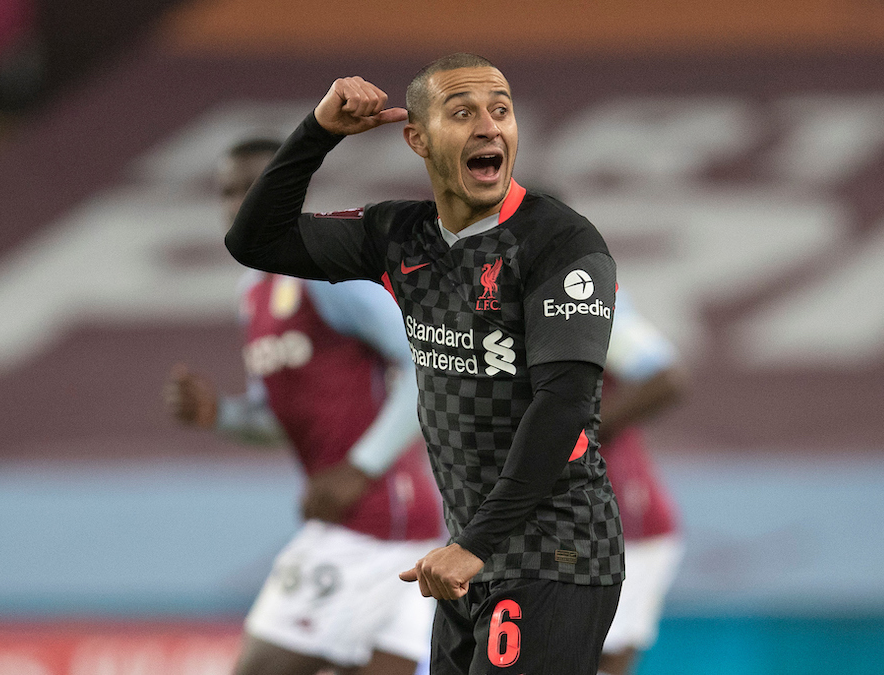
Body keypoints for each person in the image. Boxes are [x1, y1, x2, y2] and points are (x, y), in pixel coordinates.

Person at [225, 53, 623, 675]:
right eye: (462, 113)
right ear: (418, 138)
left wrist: (473, 544)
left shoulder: (560, 241)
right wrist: (319, 133)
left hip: (556, 555)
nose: (489, 127)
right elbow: (254, 241)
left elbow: (564, 405)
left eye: (501, 111)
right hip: (463, 563)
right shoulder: (400, 236)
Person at [165, 137, 444, 675]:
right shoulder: (255, 294)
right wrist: (219, 415)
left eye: (255, 187)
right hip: (379, 519)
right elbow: (279, 416)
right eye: (229, 192)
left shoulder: (326, 273)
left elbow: (427, 364)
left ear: (289, 188)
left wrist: (358, 470)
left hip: (370, 519)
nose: (240, 203)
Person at [597, 290, 688, 675]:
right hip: (531, 516)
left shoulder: (575, 291)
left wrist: (568, 436)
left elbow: (663, 378)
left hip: (618, 516)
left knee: (597, 658)